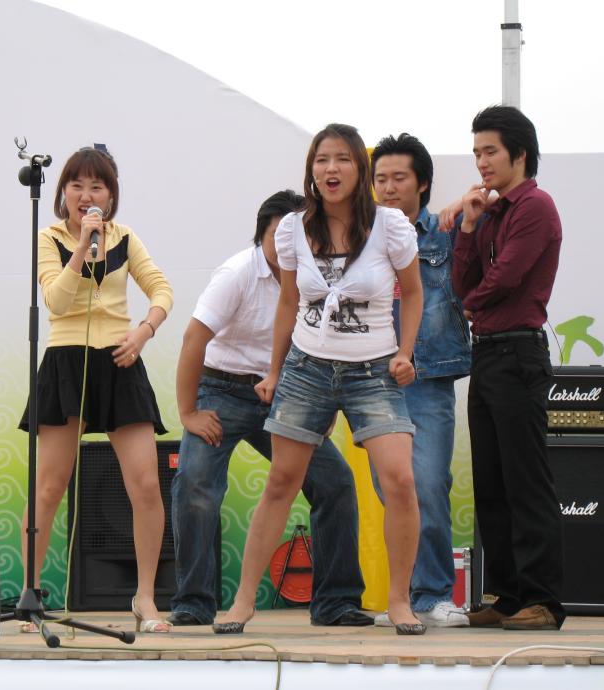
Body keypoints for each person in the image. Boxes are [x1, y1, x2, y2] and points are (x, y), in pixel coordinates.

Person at [214, 123, 426, 635]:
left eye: (342, 159)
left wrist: (405, 353)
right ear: (311, 169)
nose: (331, 169)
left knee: (399, 479)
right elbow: (289, 301)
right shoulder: (293, 228)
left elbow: (414, 292)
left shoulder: (390, 226)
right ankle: (242, 602)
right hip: (307, 367)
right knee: (282, 481)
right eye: (322, 160)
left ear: (360, 169)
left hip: (373, 369)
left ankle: (400, 602)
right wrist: (274, 370)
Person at [168, 190, 370, 627]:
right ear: (262, 233)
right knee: (196, 484)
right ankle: (194, 602)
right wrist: (188, 413)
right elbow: (193, 340)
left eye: (297, 234)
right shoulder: (237, 273)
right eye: (279, 234)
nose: (287, 243)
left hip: (288, 392)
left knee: (335, 481)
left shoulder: (318, 279)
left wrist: (323, 408)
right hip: (221, 389)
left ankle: (336, 603)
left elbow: (330, 346)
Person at [18, 145, 174, 634]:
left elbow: (162, 290)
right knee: (49, 487)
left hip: (120, 361)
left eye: (97, 186)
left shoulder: (126, 238)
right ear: (63, 192)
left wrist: (143, 331)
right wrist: (83, 245)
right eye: (77, 185)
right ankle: (30, 594)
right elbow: (57, 301)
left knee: (146, 485)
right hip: (66, 361)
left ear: (111, 195)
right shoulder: (49, 238)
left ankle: (145, 598)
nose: (87, 195)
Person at [451, 106, 565, 631]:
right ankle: (507, 594)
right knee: (492, 482)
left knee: (526, 481)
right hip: (488, 354)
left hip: (518, 353)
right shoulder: (492, 212)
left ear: (519, 153)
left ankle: (543, 599)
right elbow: (464, 279)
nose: (481, 162)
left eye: (490, 151)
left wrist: (470, 305)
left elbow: (506, 277)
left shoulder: (536, 206)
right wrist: (469, 224)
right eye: (476, 153)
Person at [370, 133, 471, 629]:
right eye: (380, 179)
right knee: (391, 489)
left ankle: (433, 594)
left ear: (423, 183)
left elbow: (489, 210)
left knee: (427, 482)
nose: (388, 188)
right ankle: (403, 599)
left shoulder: (446, 234)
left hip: (428, 376)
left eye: (399, 178)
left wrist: (467, 205)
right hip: (372, 381)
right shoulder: (362, 238)